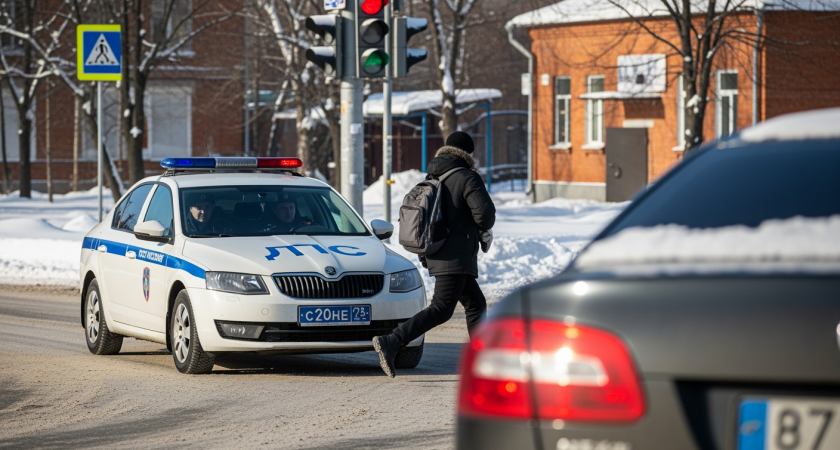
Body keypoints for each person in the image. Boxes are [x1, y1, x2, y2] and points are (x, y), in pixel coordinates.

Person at [373, 131, 496, 378]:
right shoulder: (467, 177)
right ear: (469, 153)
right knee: (441, 308)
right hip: (455, 255)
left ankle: (483, 358)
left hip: (436, 251)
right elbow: (485, 215)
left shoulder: (433, 175)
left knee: (475, 303)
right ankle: (392, 340)